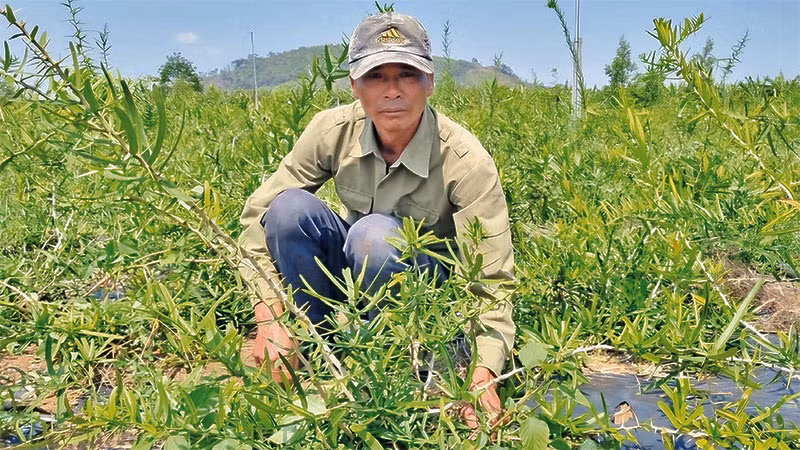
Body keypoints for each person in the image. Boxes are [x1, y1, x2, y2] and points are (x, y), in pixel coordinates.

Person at [238, 11, 515, 427]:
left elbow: (493, 279)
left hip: (421, 292)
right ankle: (314, 346)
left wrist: (483, 374)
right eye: (375, 76)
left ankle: (393, 365)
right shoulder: (332, 130)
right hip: (353, 270)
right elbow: (256, 218)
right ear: (354, 85)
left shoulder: (465, 160)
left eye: (407, 74)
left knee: (374, 237)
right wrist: (270, 317)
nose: (392, 91)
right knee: (289, 209)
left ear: (430, 82)